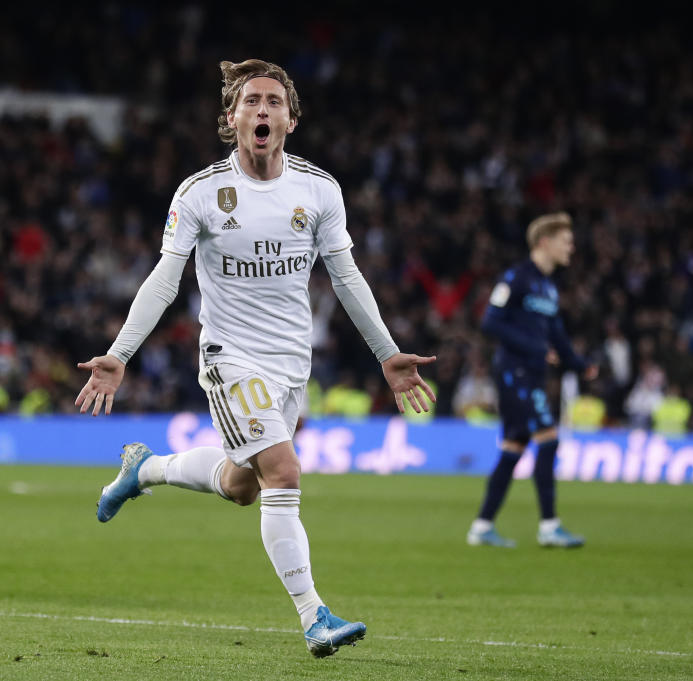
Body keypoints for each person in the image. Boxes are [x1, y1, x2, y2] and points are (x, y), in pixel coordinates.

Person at [74, 59, 436, 657]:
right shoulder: (200, 193)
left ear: (291, 119)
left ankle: (146, 470)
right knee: (285, 475)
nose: (262, 110)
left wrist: (387, 353)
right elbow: (167, 278)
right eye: (251, 102)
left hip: (292, 363)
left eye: (273, 102)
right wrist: (119, 353)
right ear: (231, 118)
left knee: (243, 486)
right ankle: (314, 616)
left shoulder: (319, 191)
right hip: (229, 356)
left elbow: (346, 277)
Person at [467, 212, 597, 549]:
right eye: (565, 241)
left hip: (531, 373)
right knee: (549, 440)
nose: (571, 247)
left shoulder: (549, 287)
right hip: (515, 372)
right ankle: (549, 526)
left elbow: (558, 336)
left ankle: (482, 527)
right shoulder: (517, 278)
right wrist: (537, 349)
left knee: (513, 449)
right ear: (545, 242)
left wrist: (579, 365)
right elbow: (490, 323)